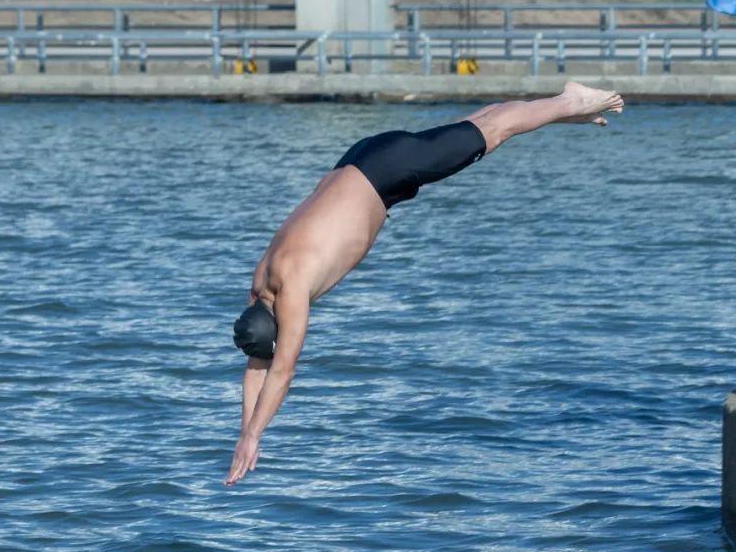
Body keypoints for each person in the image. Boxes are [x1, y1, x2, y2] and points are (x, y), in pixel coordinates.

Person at [225, 81, 624, 487]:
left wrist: (254, 436)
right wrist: (243, 431)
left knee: (496, 130)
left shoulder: (293, 290)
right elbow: (258, 365)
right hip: (364, 159)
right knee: (481, 123)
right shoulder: (261, 286)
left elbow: (282, 371)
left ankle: (568, 99)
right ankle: (565, 112)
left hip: (387, 172)